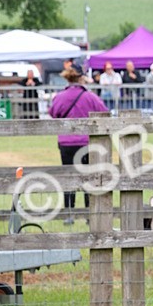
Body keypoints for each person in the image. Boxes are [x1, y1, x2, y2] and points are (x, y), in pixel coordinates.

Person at [48, 71, 109, 220]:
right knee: (89, 176)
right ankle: (89, 213)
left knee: (68, 176)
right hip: (86, 142)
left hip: (66, 142)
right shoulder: (90, 96)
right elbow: (104, 112)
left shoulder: (60, 96)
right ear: (81, 78)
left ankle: (69, 213)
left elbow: (53, 112)